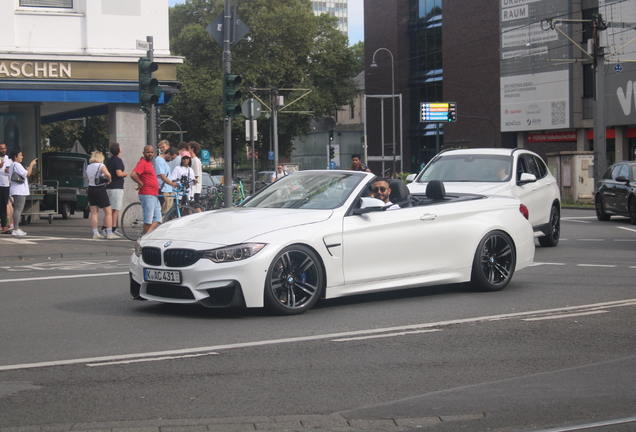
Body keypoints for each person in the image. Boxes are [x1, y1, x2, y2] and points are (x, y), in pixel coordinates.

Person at [131, 145, 162, 236]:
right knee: (148, 220)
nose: (150, 154)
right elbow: (133, 174)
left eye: (152, 152)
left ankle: (146, 236)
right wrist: (140, 183)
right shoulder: (142, 163)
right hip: (147, 194)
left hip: (153, 195)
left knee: (157, 218)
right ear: (144, 153)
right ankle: (145, 239)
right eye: (148, 152)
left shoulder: (149, 163)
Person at [86, 151, 117, 239]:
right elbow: (107, 174)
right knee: (108, 212)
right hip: (100, 189)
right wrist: (109, 180)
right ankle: (109, 233)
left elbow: (87, 179)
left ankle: (95, 233)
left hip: (91, 189)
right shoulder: (101, 166)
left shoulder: (88, 166)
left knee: (94, 212)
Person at [8, 150, 37, 236]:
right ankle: (16, 229)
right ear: (15, 157)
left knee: (17, 209)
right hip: (19, 190)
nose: (22, 157)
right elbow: (28, 174)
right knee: (18, 210)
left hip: (15, 190)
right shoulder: (17, 164)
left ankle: (15, 228)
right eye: (20, 155)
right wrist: (31, 164)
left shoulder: (12, 165)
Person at [104, 143, 127, 237]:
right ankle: (112, 228)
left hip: (109, 187)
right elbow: (119, 173)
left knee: (110, 209)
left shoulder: (109, 160)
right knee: (115, 209)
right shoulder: (118, 160)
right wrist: (125, 173)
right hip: (116, 187)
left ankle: (106, 228)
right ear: (118, 150)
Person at [155, 146, 178, 214]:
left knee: (167, 212)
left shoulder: (165, 162)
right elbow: (162, 175)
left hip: (168, 189)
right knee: (164, 212)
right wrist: (171, 183)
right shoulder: (159, 160)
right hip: (164, 189)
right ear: (168, 154)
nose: (172, 160)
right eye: (172, 158)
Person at [0, 143, 12, 234]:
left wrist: (8, 171)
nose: (3, 150)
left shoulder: (9, 160)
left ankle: (4, 226)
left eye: (4, 148)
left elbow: (12, 172)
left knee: (4, 206)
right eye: (1, 149)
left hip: (5, 185)